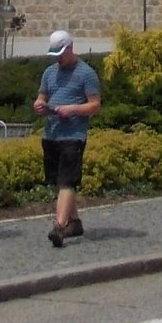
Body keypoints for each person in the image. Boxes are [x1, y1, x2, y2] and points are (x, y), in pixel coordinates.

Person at [33, 29, 101, 248]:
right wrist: (40, 105)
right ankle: (74, 222)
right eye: (55, 55)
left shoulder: (86, 73)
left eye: (61, 53)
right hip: (51, 134)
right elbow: (42, 96)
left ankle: (59, 226)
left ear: (70, 49)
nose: (58, 58)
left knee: (66, 181)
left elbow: (94, 105)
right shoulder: (48, 73)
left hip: (73, 134)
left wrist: (72, 109)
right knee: (58, 181)